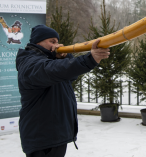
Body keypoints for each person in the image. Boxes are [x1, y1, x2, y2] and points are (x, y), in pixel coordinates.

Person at [16, 25, 110, 157]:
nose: (57, 45)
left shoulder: (51, 60)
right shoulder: (29, 62)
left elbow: (69, 75)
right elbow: (52, 70)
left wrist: (64, 58)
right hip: (41, 139)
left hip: (55, 135)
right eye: (52, 41)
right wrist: (89, 59)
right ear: (38, 42)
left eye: (57, 41)